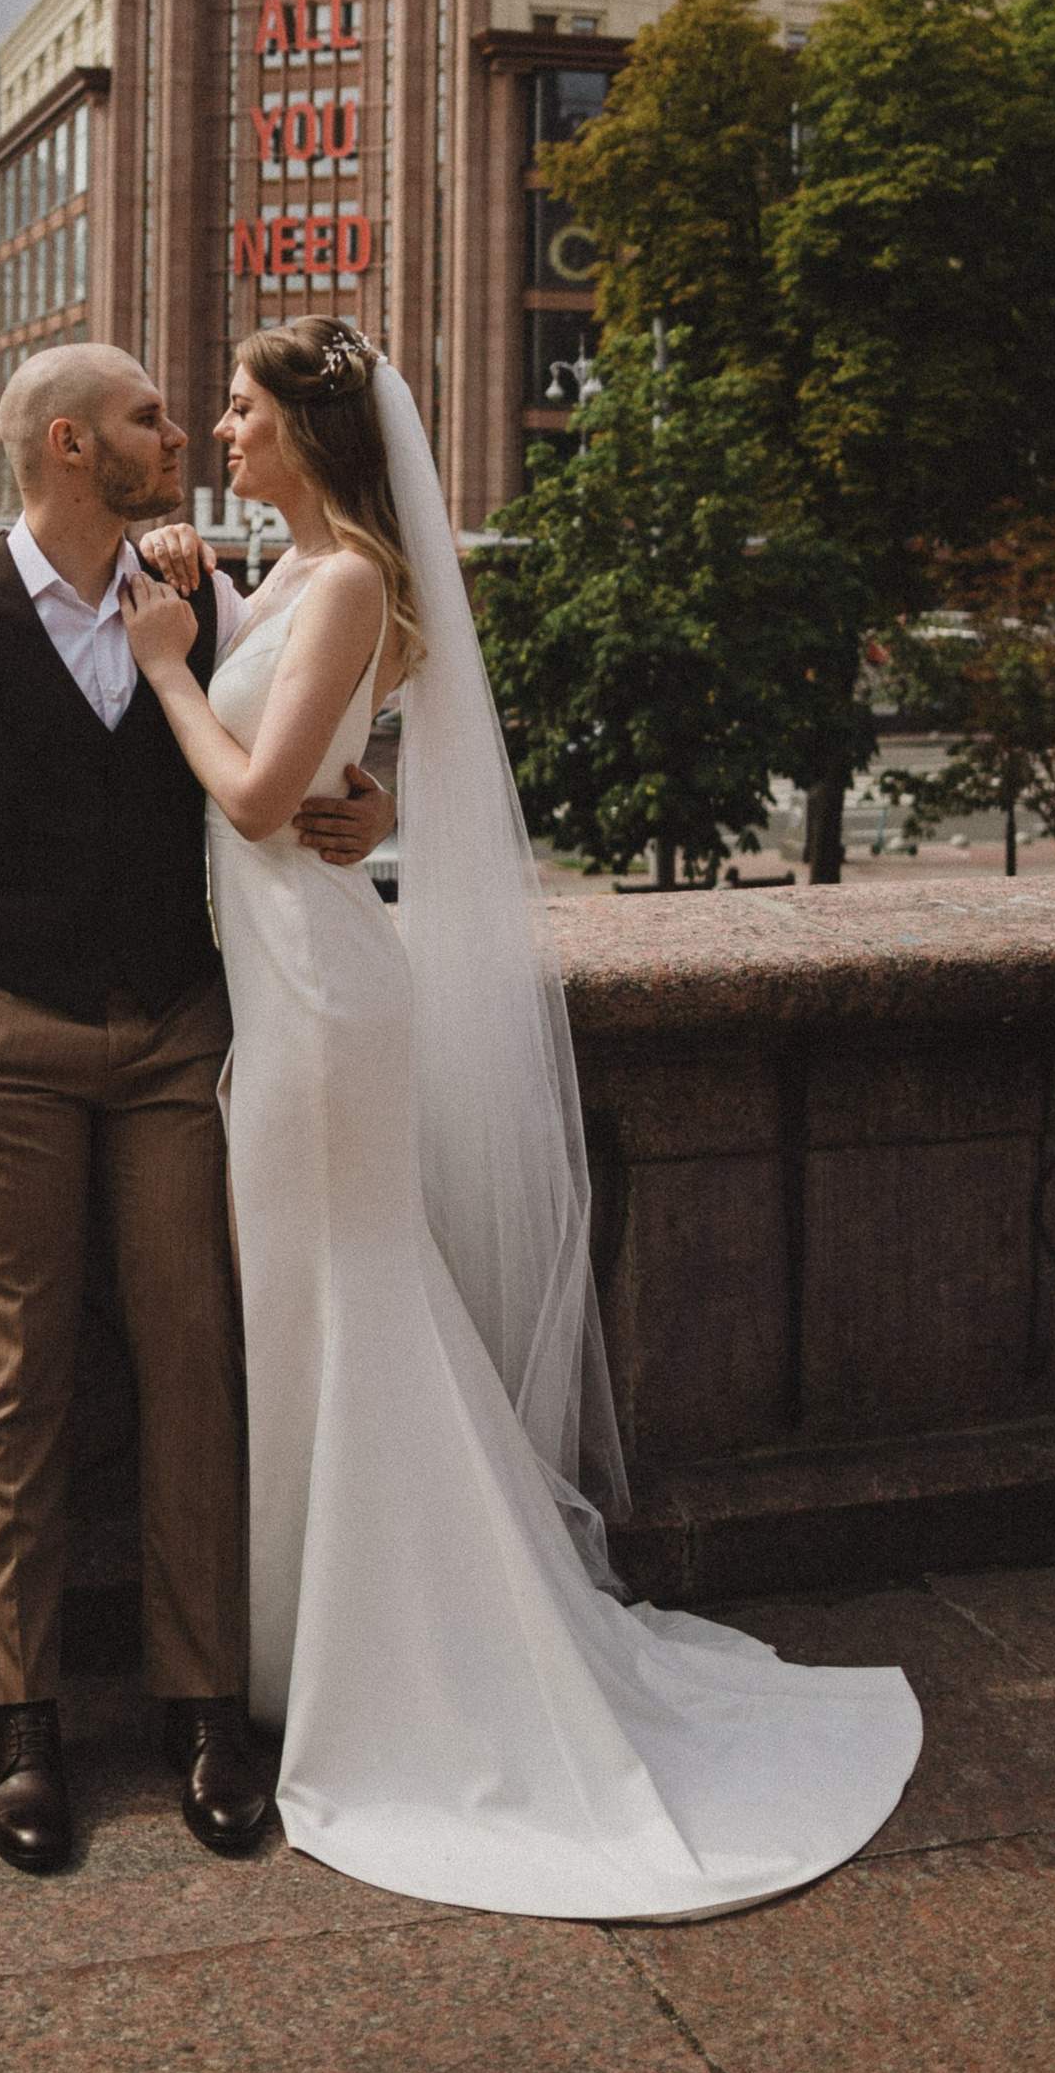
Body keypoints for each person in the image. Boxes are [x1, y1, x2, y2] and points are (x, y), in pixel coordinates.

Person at [117, 313, 921, 1921]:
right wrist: (213, 616)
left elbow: (269, 796)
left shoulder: (343, 579)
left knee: (349, 1300)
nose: (216, 427)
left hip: (324, 999)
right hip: (291, 980)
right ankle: (304, 1639)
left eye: (240, 407)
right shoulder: (297, 576)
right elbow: (338, 759)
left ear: (309, 433)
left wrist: (165, 673)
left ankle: (391, 1655)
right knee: (311, 1305)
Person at [0, 344, 394, 1877]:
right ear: (74, 447)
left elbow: (312, 741)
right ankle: (22, 1722)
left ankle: (203, 1707)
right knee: (13, 1371)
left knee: (192, 1349)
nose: (180, 433)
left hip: (172, 1033)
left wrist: (370, 802)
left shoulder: (201, 595)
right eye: (152, 415)